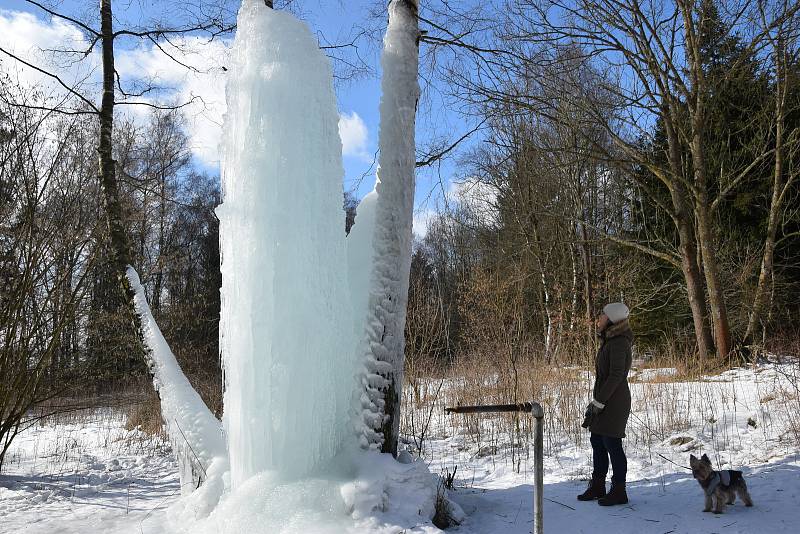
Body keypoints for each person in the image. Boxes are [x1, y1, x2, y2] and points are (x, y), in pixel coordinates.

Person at [577, 302, 633, 506]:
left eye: (602, 315)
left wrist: (600, 401)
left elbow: (617, 375)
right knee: (598, 442)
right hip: (604, 399)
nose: (598, 319)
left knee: (612, 444)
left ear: (612, 319)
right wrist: (597, 401)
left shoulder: (619, 342)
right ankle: (598, 486)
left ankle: (619, 490)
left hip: (614, 402)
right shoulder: (610, 340)